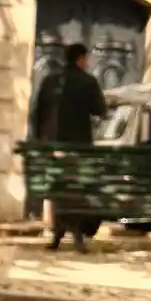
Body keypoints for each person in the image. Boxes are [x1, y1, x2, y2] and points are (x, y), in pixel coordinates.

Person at [32, 43, 108, 252]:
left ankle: (59, 232)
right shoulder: (87, 81)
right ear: (81, 58)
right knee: (76, 189)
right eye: (87, 58)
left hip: (52, 146)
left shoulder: (49, 81)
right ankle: (76, 234)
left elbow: (37, 112)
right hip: (78, 147)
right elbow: (100, 109)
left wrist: (40, 141)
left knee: (60, 188)